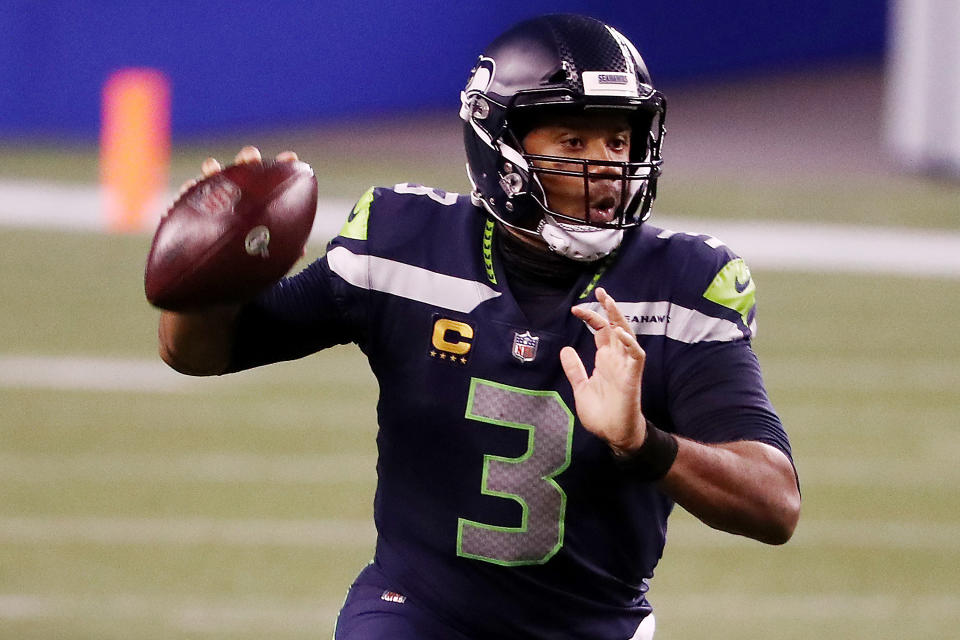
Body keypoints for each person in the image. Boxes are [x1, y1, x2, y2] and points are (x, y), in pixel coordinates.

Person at [156, 14, 800, 640]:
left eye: (617, 139)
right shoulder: (402, 240)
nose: (605, 164)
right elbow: (200, 353)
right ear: (503, 149)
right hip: (417, 609)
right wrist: (210, 276)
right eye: (572, 141)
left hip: (593, 626)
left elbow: (774, 503)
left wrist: (643, 443)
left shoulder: (682, 283)